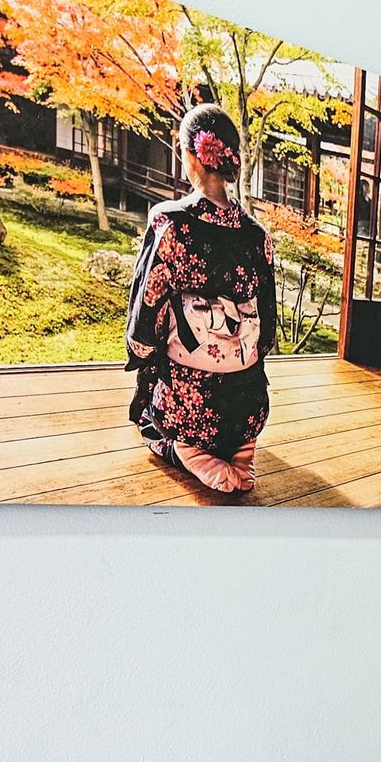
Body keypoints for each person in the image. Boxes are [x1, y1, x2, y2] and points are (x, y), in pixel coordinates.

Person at [125, 105, 277, 494]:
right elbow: (267, 331)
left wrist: (143, 352)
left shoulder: (170, 222)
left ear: (191, 156)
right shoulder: (256, 234)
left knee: (149, 419)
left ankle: (191, 451)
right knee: (239, 392)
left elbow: (148, 310)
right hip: (248, 402)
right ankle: (242, 453)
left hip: (192, 407)